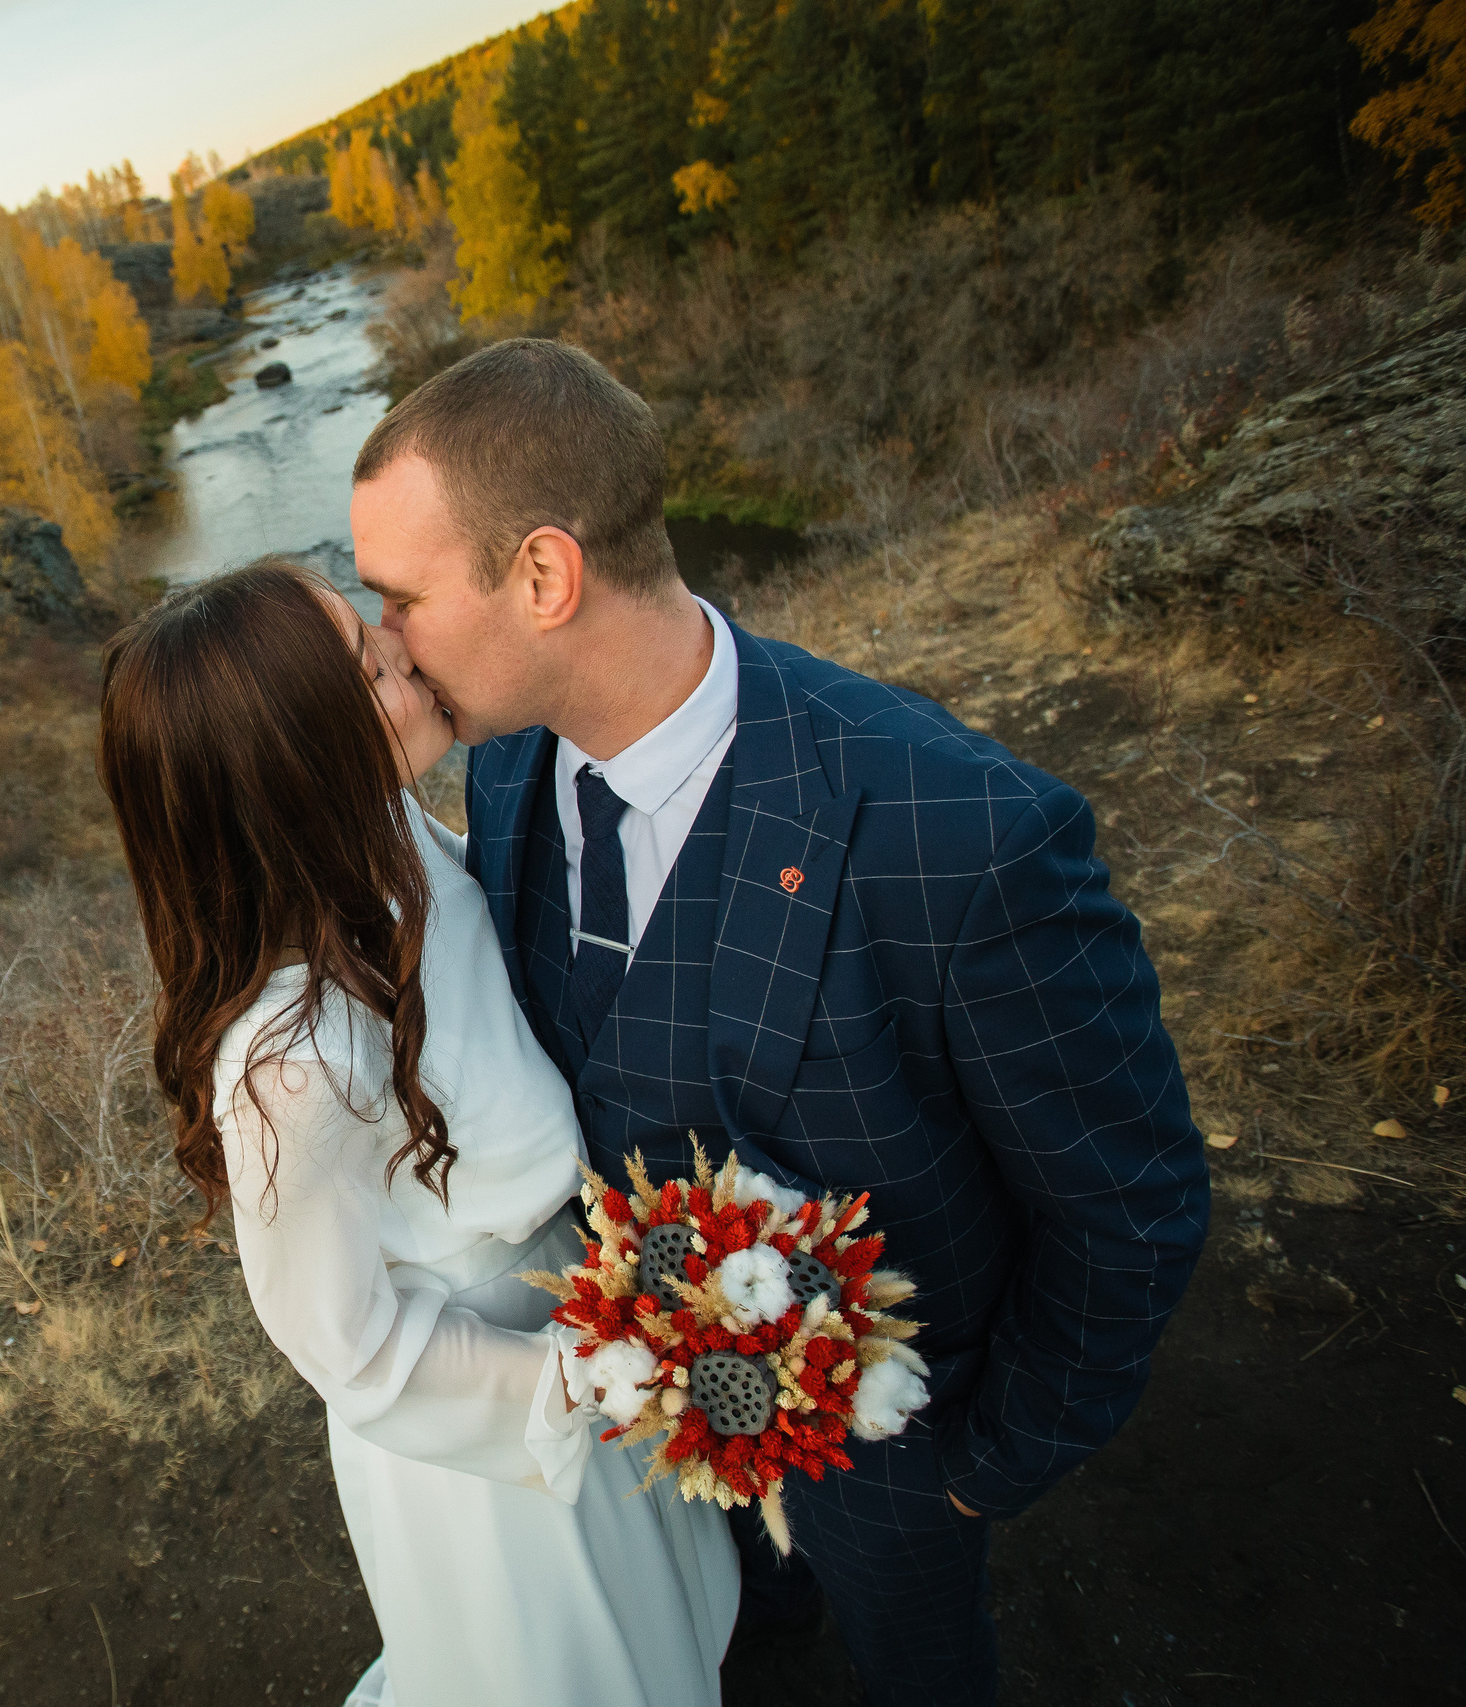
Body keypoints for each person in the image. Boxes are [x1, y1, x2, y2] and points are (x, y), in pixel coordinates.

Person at [349, 338, 1211, 1707]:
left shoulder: (963, 837)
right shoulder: (505, 760)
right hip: (662, 1435)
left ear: (544, 576)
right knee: (740, 1639)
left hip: (896, 1467)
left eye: (398, 598)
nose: (380, 641)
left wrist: (983, 1468)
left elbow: (1132, 1203)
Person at [97, 559, 738, 1707]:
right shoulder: (290, 1068)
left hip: (578, 1305)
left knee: (666, 1635)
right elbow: (350, 1347)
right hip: (495, 1434)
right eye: (365, 661)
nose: (406, 648)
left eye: (375, 623)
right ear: (294, 754)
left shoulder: (393, 835)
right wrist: (570, 1379)